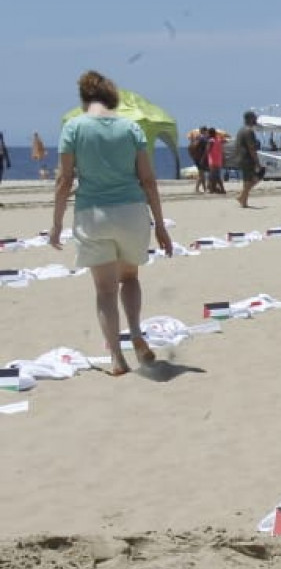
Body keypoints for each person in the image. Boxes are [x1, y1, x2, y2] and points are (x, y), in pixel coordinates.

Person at [49, 70, 176, 375]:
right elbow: (148, 179)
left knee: (105, 290)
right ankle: (135, 333)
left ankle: (118, 359)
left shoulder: (73, 128)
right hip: (131, 212)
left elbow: (65, 180)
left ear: (84, 98)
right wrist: (159, 224)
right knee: (129, 278)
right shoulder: (130, 127)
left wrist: (56, 223)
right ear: (112, 98)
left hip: (93, 214)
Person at [234, 111, 266, 207]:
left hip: (240, 157)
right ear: (250, 119)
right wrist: (257, 162)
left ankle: (243, 200)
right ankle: (241, 196)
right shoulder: (249, 131)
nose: (255, 120)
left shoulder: (241, 130)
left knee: (247, 180)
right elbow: (252, 148)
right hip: (247, 159)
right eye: (254, 118)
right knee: (256, 177)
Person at [205, 126, 226, 193]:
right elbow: (224, 141)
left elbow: (207, 150)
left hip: (212, 160)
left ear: (210, 133)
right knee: (217, 176)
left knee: (212, 176)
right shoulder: (219, 140)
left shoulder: (211, 141)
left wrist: (203, 159)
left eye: (208, 133)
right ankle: (220, 189)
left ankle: (212, 189)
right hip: (219, 160)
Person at [188, 126, 209, 192]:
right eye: (206, 131)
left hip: (196, 158)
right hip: (201, 158)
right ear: (204, 131)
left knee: (201, 174)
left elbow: (190, 148)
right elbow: (207, 149)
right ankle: (197, 188)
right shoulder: (204, 139)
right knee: (202, 174)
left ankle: (204, 188)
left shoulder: (196, 138)